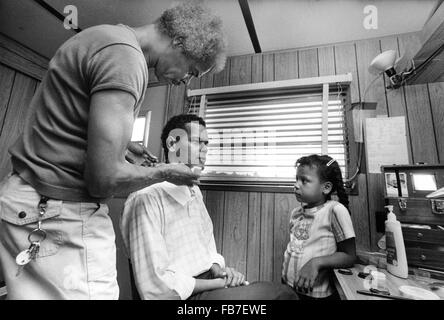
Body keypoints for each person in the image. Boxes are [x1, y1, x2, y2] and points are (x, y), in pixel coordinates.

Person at [0, 1, 226, 299]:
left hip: (22, 199)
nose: (185, 81)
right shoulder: (125, 58)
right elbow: (103, 179)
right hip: (55, 210)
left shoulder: (105, 38)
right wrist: (167, 173)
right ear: (180, 42)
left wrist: (123, 146)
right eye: (192, 71)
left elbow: (68, 124)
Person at [121, 114, 298, 300]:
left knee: (278, 292)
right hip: (181, 295)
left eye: (207, 143)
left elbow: (206, 246)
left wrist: (220, 271)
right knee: (281, 295)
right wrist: (219, 283)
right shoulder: (145, 198)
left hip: (210, 281)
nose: (205, 150)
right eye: (198, 142)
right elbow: (157, 287)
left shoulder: (194, 191)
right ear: (172, 144)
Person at [282, 154, 356, 300]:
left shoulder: (335, 210)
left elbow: (349, 256)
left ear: (326, 187)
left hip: (316, 294)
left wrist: (316, 263)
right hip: (288, 287)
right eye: (296, 179)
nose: (296, 185)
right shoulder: (296, 213)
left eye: (304, 181)